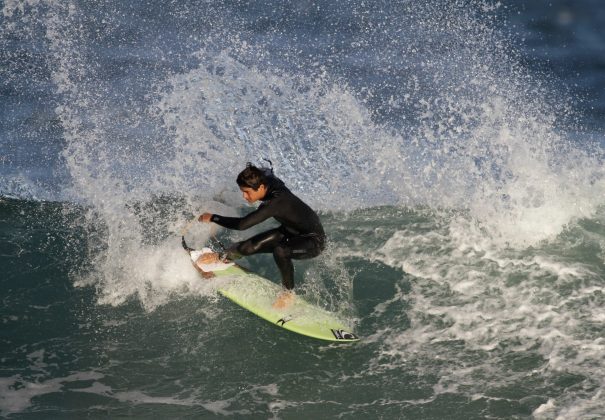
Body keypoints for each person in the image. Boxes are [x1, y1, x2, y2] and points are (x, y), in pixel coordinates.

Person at [198, 163, 326, 308]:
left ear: (260, 187)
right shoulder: (266, 180)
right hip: (290, 231)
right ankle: (224, 257)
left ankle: (288, 293)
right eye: (242, 191)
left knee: (281, 251)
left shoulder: (276, 203)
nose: (244, 196)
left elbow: (242, 225)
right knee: (246, 248)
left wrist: (213, 217)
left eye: (247, 192)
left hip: (313, 240)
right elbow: (266, 171)